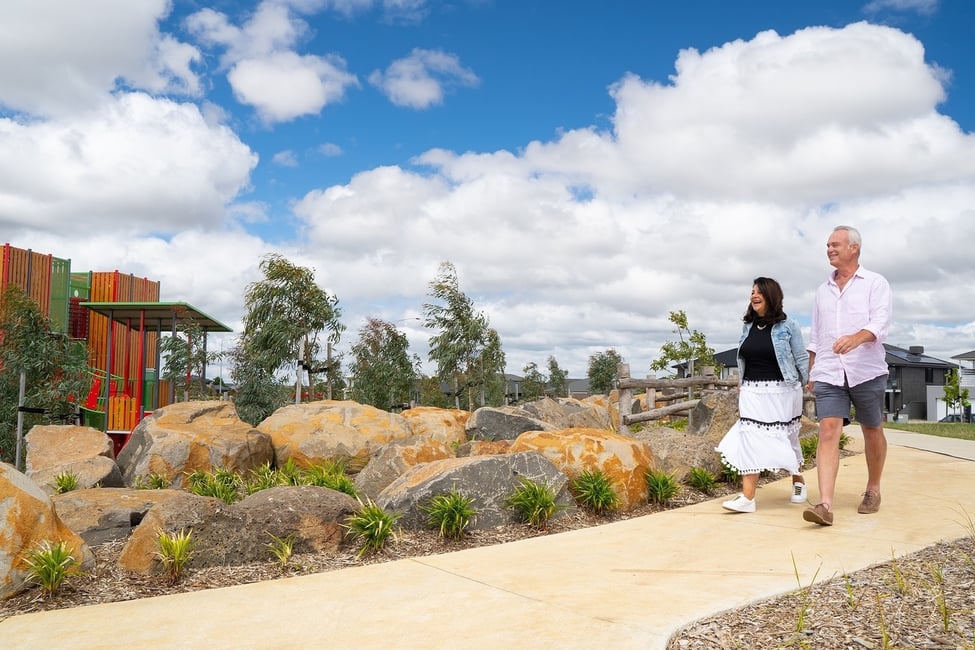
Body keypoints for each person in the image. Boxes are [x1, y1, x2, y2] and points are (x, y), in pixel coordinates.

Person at [803, 225, 892, 526]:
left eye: (835, 244)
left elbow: (880, 323)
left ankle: (873, 488)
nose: (829, 249)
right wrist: (813, 369)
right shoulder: (821, 291)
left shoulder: (875, 283)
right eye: (828, 245)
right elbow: (816, 335)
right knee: (828, 430)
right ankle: (825, 505)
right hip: (829, 371)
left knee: (872, 429)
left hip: (866, 371)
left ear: (854, 248)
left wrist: (856, 338)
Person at [718, 277, 809, 513]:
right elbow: (744, 358)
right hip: (751, 391)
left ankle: (798, 480)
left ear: (771, 296)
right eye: (752, 292)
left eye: (759, 292)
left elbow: (801, 356)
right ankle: (748, 498)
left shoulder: (789, 325)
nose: (754, 296)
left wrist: (806, 382)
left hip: (782, 390)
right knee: (750, 438)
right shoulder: (748, 326)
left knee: (787, 437)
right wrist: (741, 384)